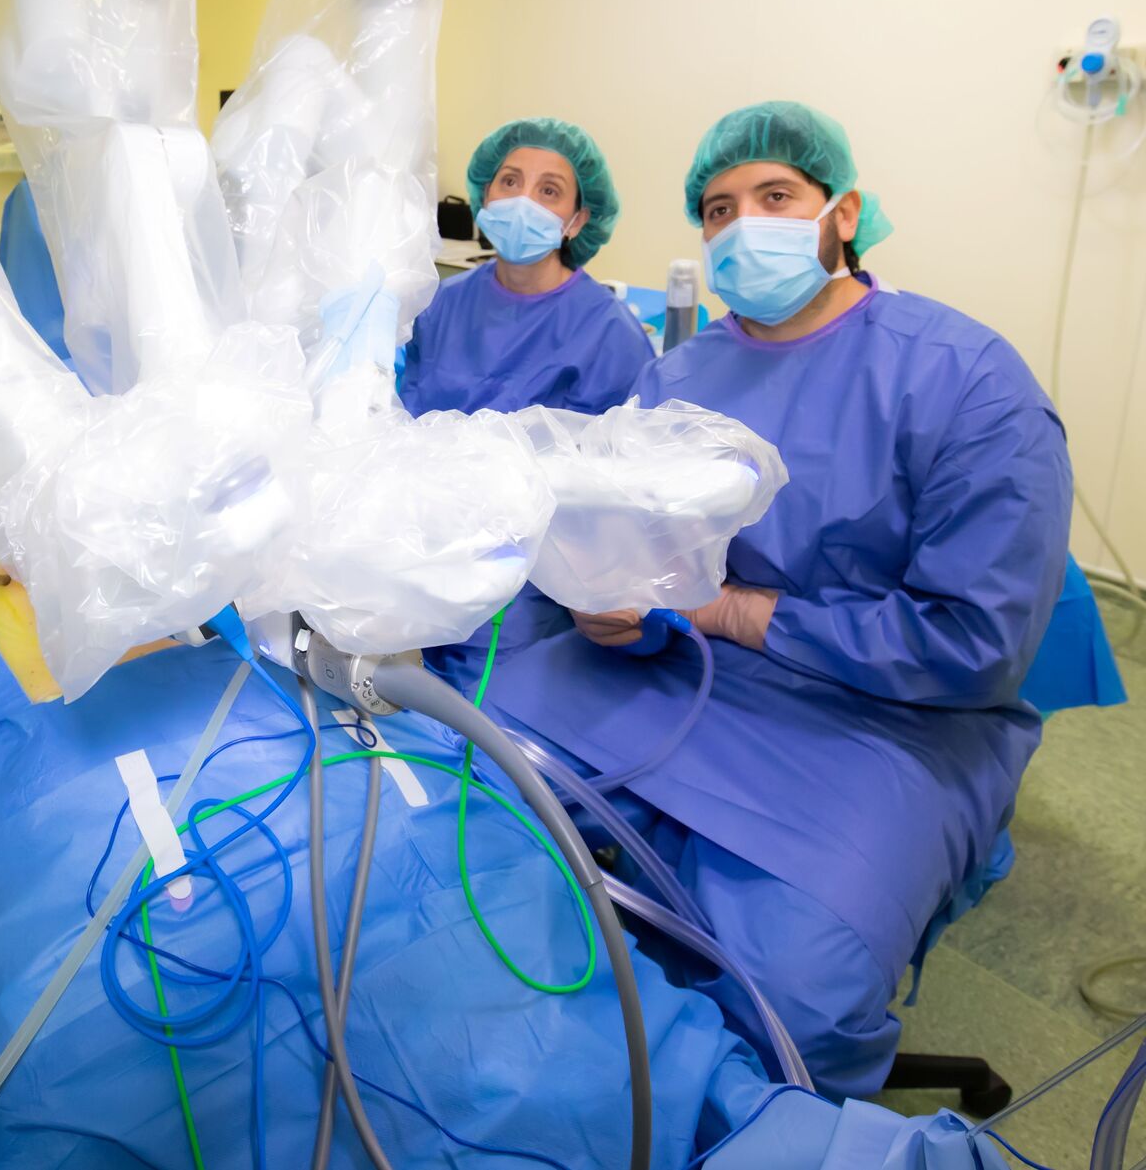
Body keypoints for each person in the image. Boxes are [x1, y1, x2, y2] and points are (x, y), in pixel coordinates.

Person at [452, 100, 1073, 1098]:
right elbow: (644, 563)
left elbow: (972, 644)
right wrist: (608, 606)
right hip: (678, 676)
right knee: (453, 793)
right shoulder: (678, 378)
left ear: (843, 214)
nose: (744, 224)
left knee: (789, 998)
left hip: (888, 722)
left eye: (775, 196)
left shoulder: (966, 381)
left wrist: (727, 611)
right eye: (718, 208)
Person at [400, 117, 654, 417]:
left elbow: (621, 440)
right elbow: (404, 412)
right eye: (510, 182)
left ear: (578, 221)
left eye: (549, 190)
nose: (523, 202)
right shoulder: (441, 304)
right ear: (485, 194)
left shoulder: (610, 334)